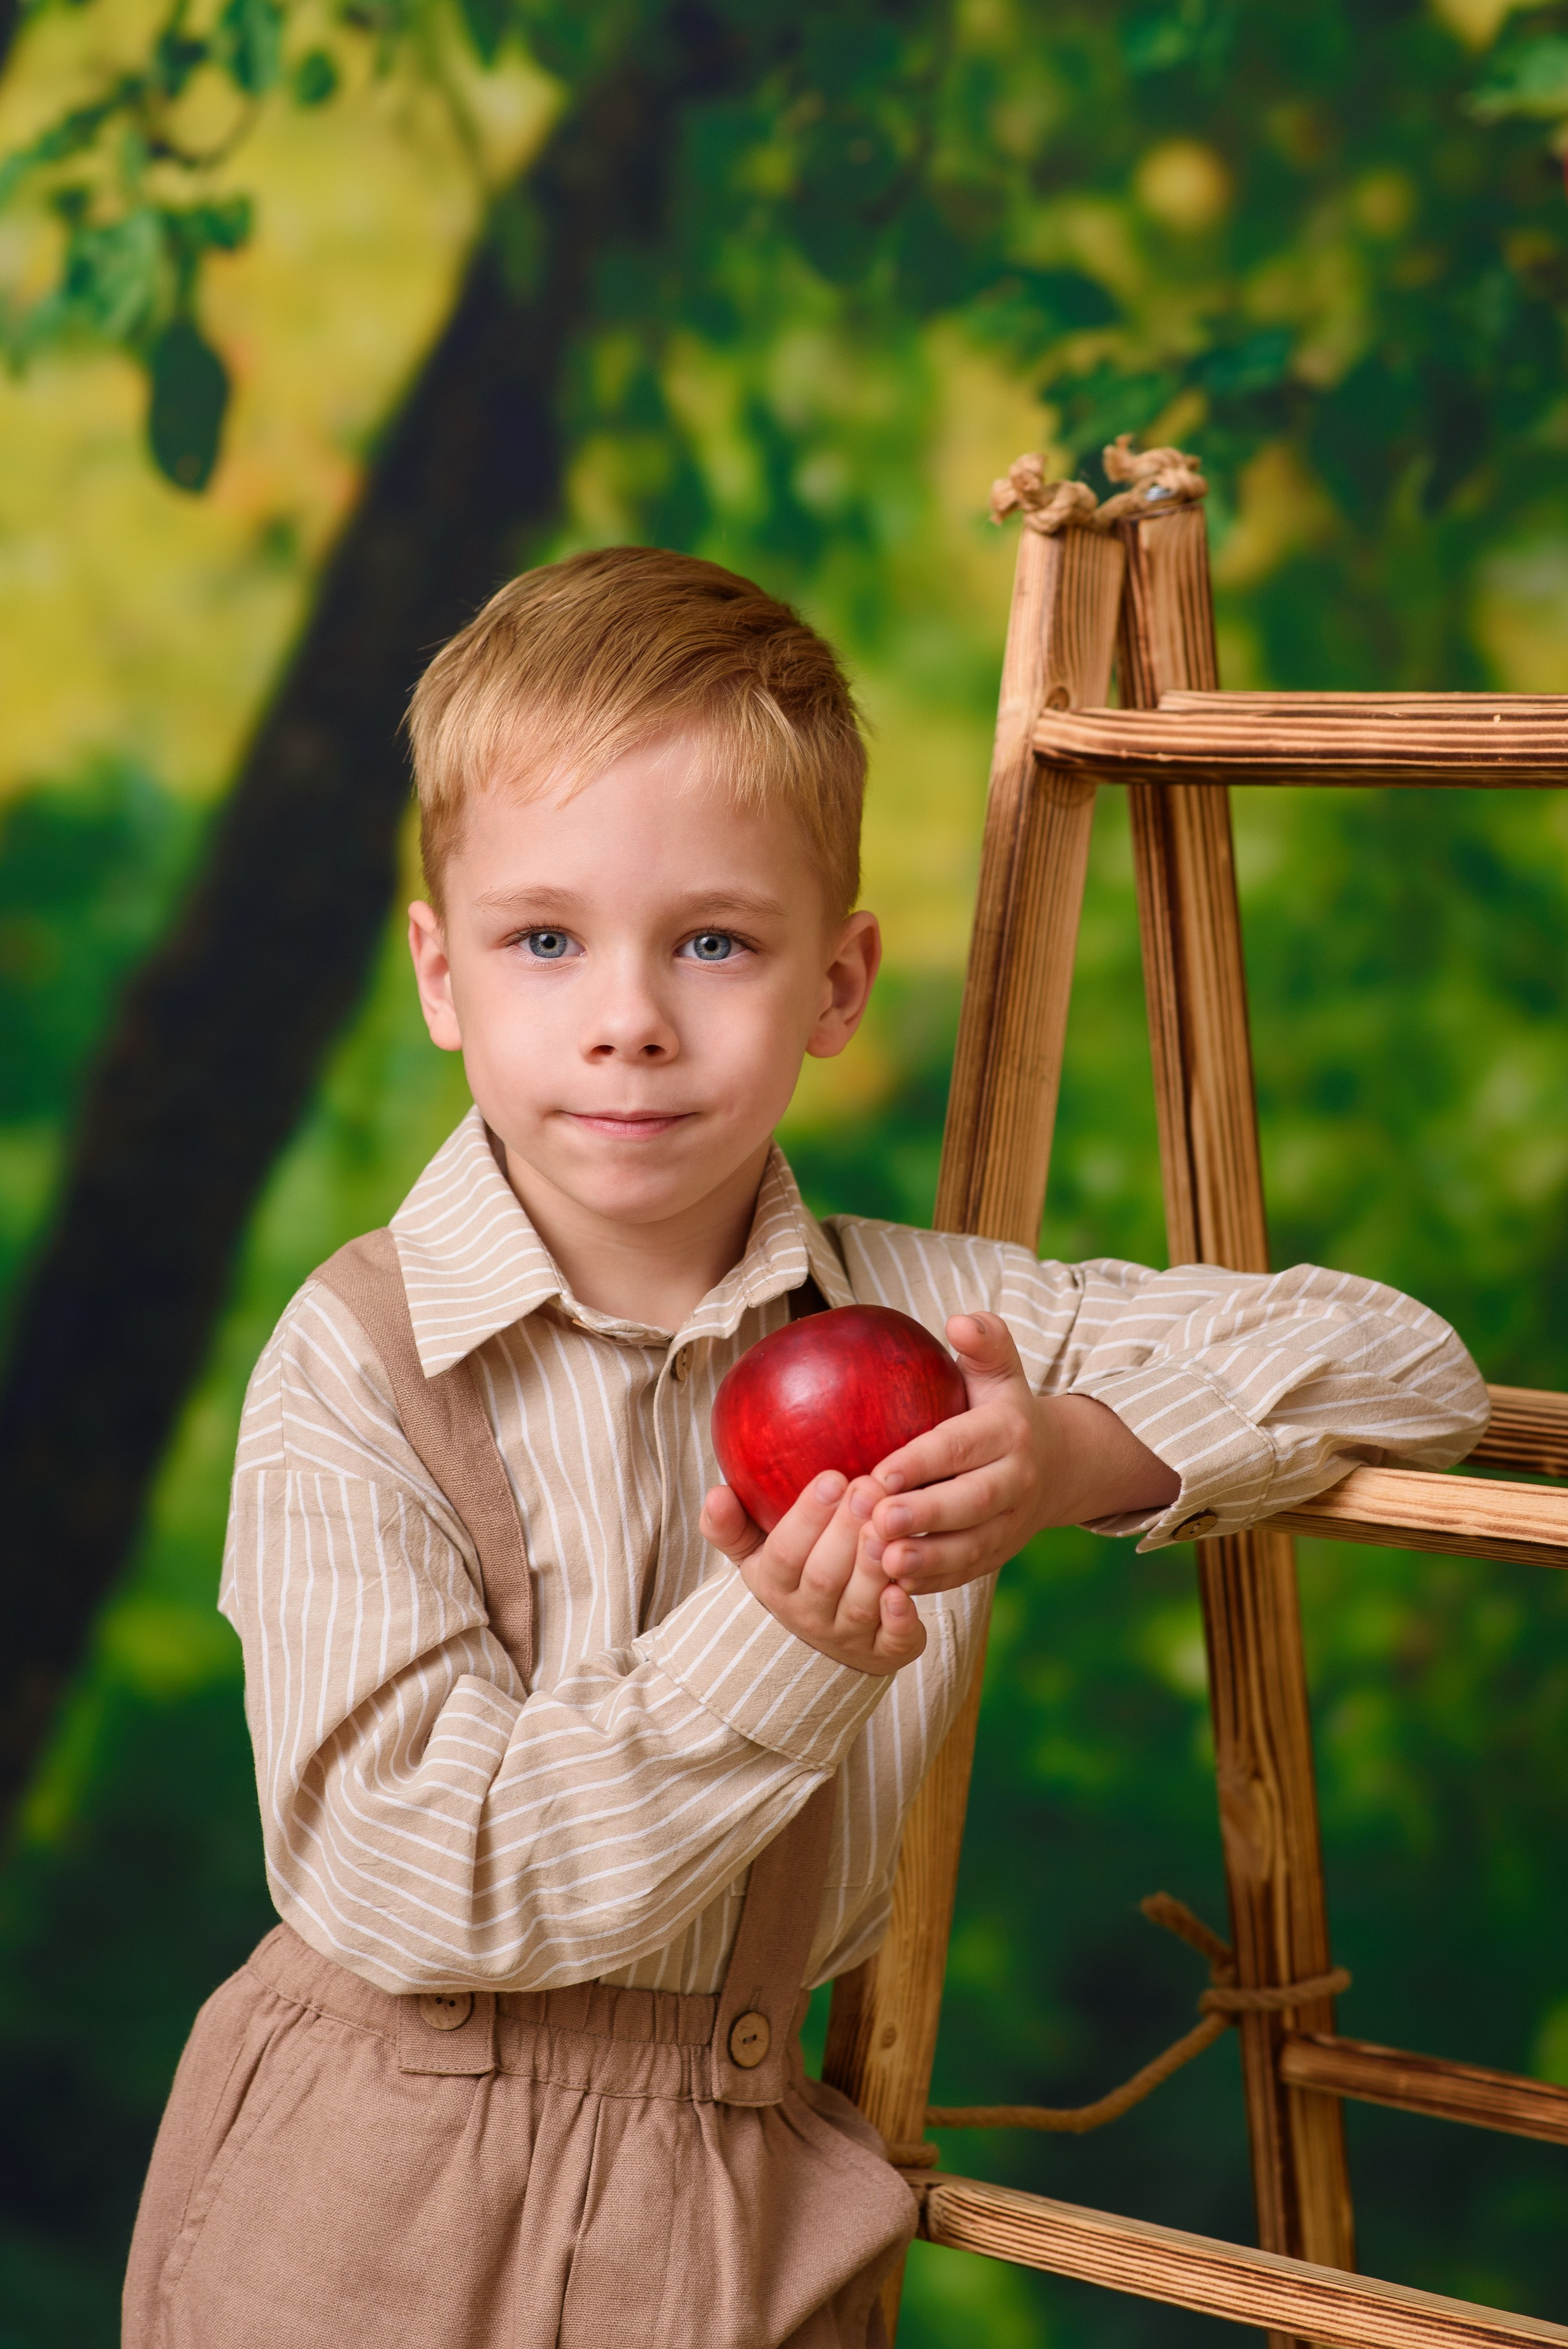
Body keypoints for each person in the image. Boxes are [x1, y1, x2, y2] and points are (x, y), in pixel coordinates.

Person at [123, 548, 1488, 2349]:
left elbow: (1408, 1364)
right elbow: (408, 1875)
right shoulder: (358, 1363)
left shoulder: (928, 1327)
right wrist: (776, 1652)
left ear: (837, 985)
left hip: (747, 2202)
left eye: (715, 942)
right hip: (376, 2204)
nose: (630, 1016)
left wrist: (1074, 1454)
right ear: (441, 976)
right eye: (546, 940)